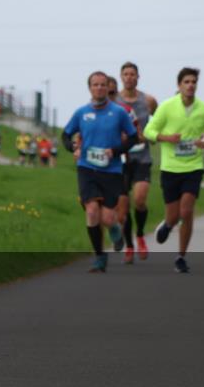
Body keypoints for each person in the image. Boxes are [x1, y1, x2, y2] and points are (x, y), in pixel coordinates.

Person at [143, 67, 204, 273]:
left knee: (187, 211)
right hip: (170, 168)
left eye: (194, 82)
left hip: (193, 166)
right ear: (179, 85)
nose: (190, 85)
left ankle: (181, 256)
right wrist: (167, 138)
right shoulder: (167, 106)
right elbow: (149, 131)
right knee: (174, 215)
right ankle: (167, 225)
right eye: (186, 82)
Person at [62, 71, 137, 273]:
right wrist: (73, 148)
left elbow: (132, 138)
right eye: (95, 85)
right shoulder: (81, 113)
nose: (99, 88)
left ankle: (114, 230)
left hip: (112, 170)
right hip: (87, 168)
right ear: (90, 88)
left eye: (103, 85)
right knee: (92, 211)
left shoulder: (119, 112)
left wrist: (115, 151)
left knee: (108, 218)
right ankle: (99, 257)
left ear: (108, 88)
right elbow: (65, 135)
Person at [118, 62, 158, 261]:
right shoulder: (113, 100)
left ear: (138, 77)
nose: (129, 77)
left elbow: (159, 123)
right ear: (121, 77)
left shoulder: (148, 100)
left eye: (132, 74)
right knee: (123, 209)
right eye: (125, 74)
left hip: (142, 157)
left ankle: (141, 234)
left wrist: (150, 136)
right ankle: (129, 245)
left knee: (140, 200)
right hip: (121, 159)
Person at [107, 76, 140, 262]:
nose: (108, 95)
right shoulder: (90, 112)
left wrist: (122, 144)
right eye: (104, 91)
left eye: (112, 92)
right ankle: (113, 231)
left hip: (122, 164)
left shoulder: (126, 111)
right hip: (98, 167)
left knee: (123, 210)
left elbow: (137, 134)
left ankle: (128, 245)